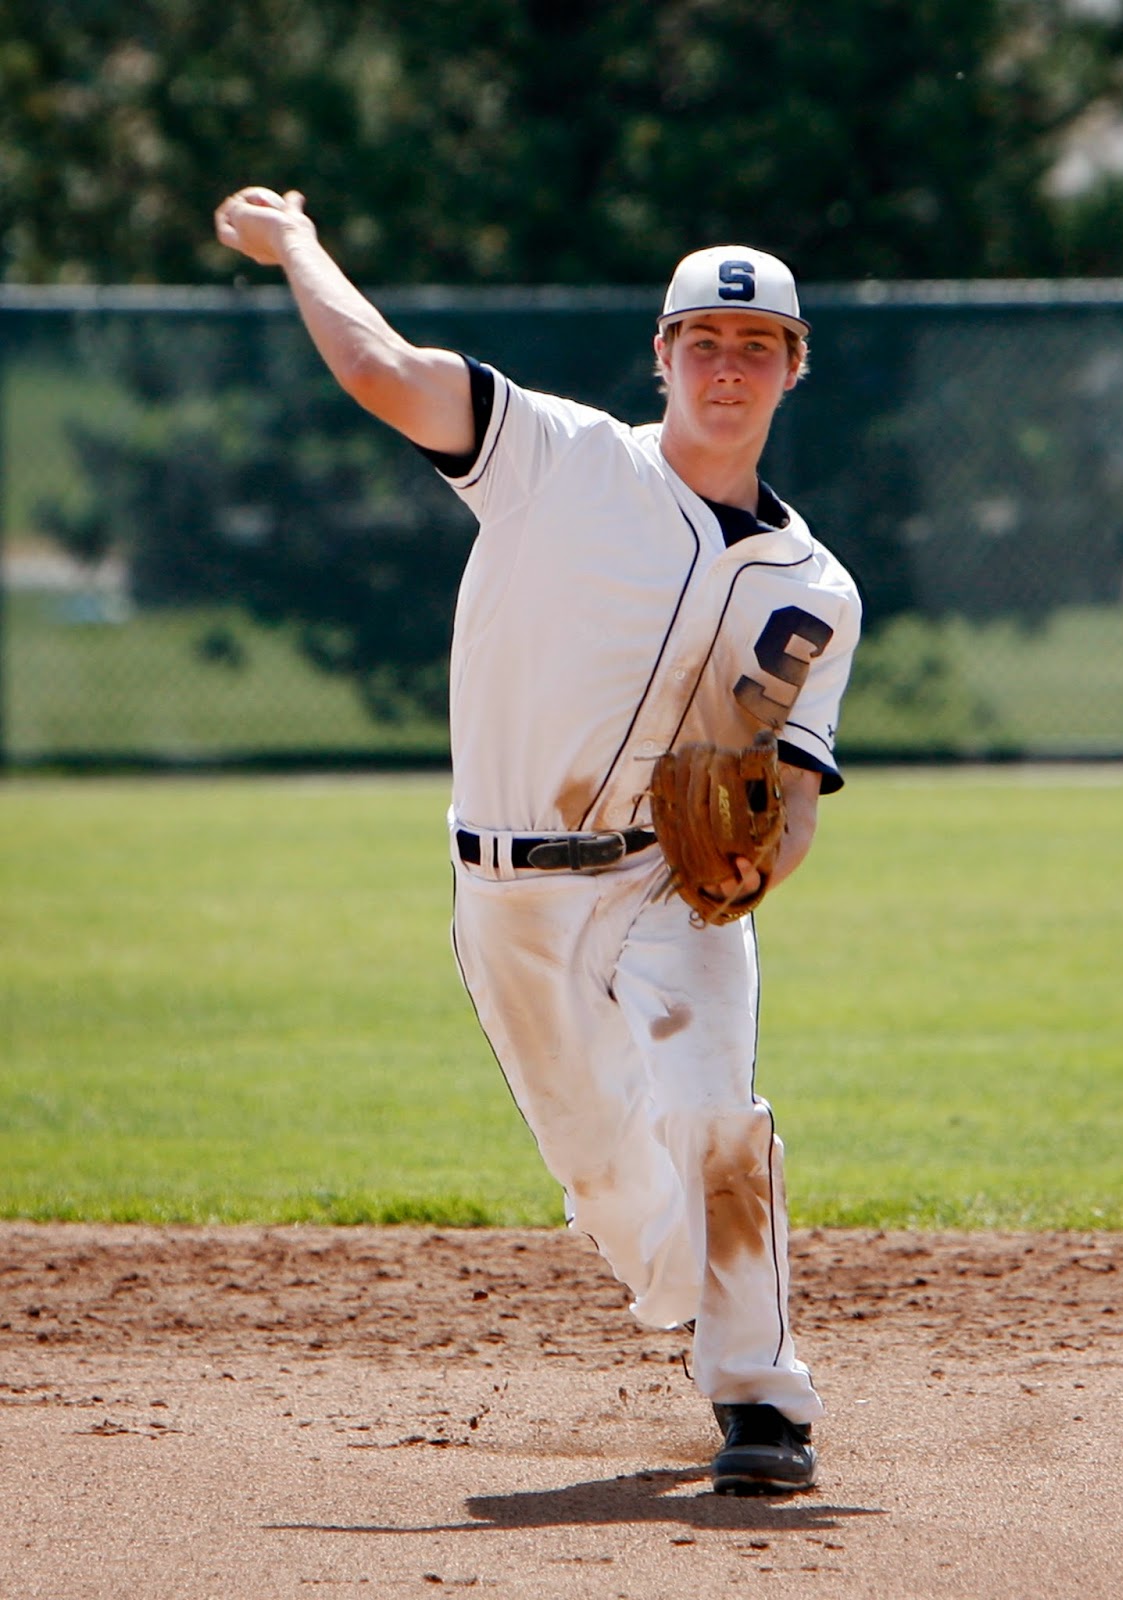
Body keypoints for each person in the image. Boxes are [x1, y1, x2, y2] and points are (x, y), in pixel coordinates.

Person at [214, 188, 862, 1495]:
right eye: (703, 341)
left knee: (714, 1121)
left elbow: (784, 788)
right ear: (661, 353)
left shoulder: (811, 590)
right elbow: (379, 369)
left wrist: (759, 860)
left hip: (664, 886)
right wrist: (296, 245)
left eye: (755, 347)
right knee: (605, 1177)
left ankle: (760, 1403)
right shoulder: (554, 455)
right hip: (506, 895)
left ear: (792, 370)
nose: (726, 367)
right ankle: (699, 1291)